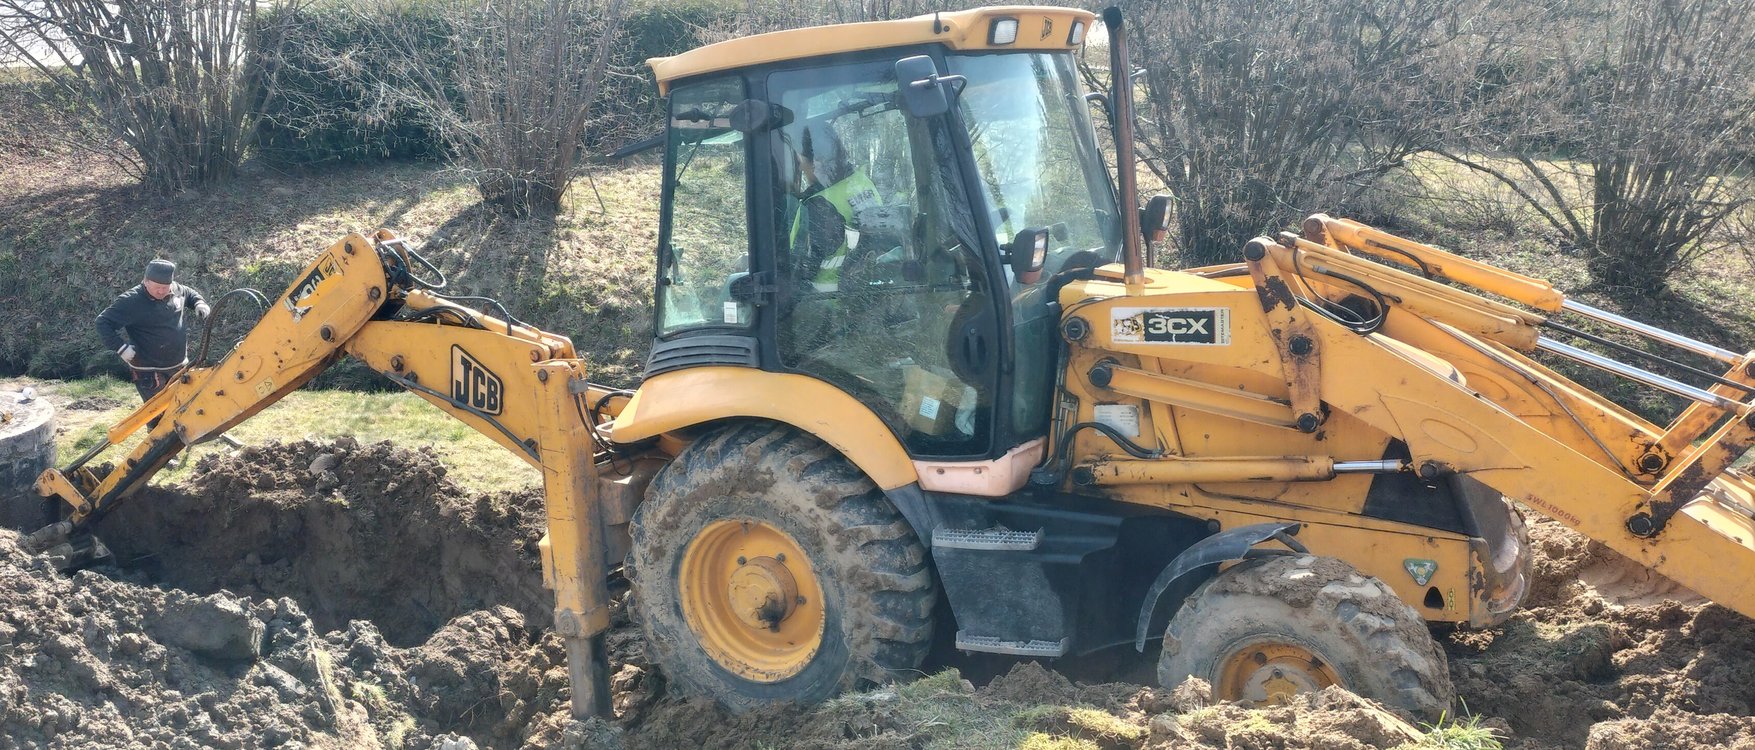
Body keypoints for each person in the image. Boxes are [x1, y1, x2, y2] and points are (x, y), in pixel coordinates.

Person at [96, 259, 209, 402]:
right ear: (146, 281)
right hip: (149, 371)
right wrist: (121, 348)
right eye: (157, 287)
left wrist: (199, 303)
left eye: (165, 287)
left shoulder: (176, 289)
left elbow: (189, 293)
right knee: (159, 410)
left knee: (183, 406)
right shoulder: (131, 301)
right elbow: (103, 322)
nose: (161, 291)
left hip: (178, 365)